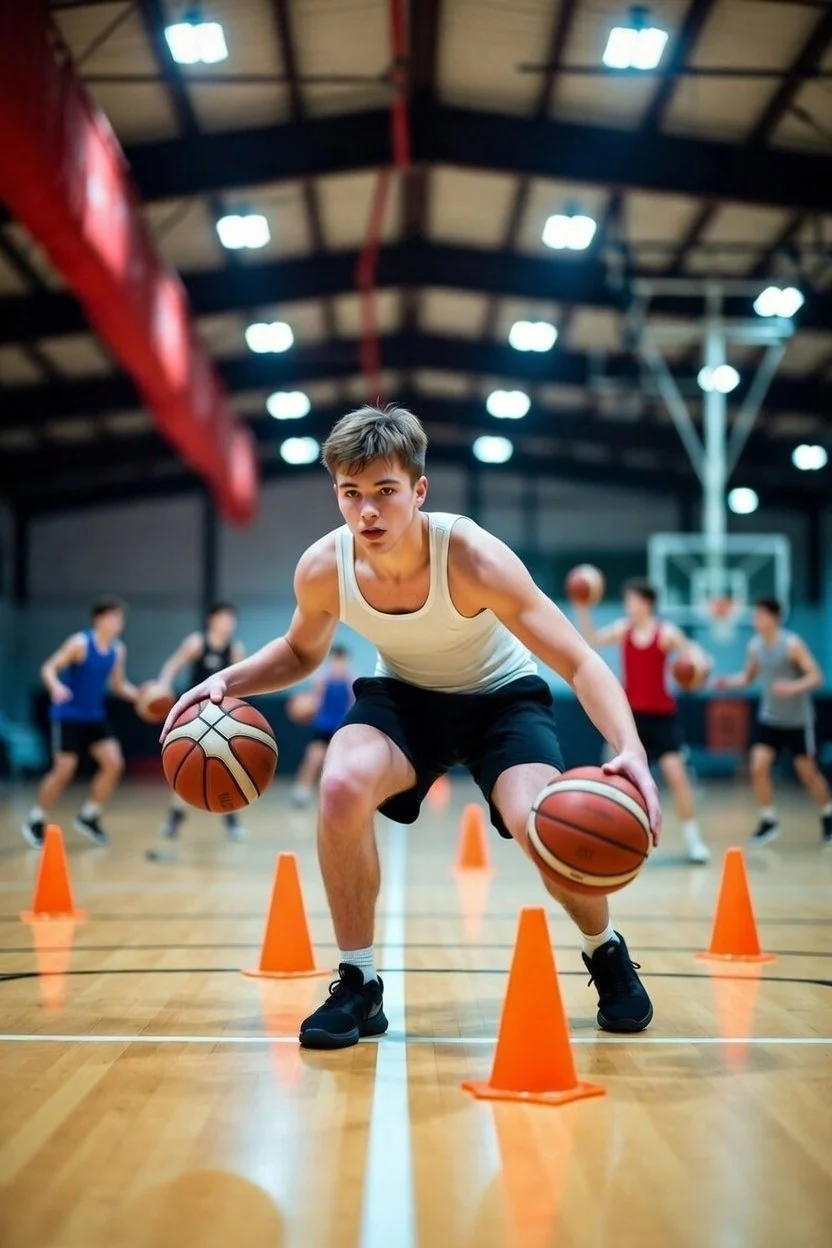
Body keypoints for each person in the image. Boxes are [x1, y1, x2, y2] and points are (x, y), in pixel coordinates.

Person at [162, 404, 662, 1050]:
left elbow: (580, 660)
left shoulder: (474, 556)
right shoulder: (324, 567)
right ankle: (357, 982)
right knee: (339, 784)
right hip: (403, 699)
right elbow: (300, 652)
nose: (367, 511)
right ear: (337, 493)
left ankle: (605, 949)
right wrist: (227, 680)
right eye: (351, 494)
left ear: (419, 491)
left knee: (550, 824)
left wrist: (632, 751)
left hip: (502, 701)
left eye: (385, 492)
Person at [573, 579, 711, 865]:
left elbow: (695, 653)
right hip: (630, 717)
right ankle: (607, 835)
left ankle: (693, 839)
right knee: (610, 776)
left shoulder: (666, 633)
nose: (628, 605)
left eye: (632, 600)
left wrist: (697, 666)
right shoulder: (624, 629)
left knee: (677, 776)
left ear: (646, 603)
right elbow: (591, 641)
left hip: (662, 717)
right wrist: (583, 608)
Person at [714, 596, 831, 845]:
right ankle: (768, 820)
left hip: (798, 721)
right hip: (770, 718)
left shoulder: (791, 644)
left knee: (808, 773)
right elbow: (748, 677)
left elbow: (816, 677)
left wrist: (792, 686)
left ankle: (828, 814)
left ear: (774, 617)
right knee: (758, 766)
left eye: (761, 615)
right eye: (755, 615)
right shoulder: (755, 647)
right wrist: (728, 682)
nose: (756, 620)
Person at [21, 597, 137, 848]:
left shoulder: (118, 650)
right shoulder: (80, 643)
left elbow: (118, 685)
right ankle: (35, 820)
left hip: (94, 716)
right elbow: (49, 668)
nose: (118, 622)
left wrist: (141, 695)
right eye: (113, 617)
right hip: (68, 715)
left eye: (120, 617)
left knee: (114, 764)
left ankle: (89, 816)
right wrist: (55, 686)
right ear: (99, 619)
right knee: (64, 770)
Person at [155, 602, 247, 841]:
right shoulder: (197, 642)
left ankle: (231, 819)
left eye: (231, 618)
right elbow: (171, 666)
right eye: (224, 617)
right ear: (212, 620)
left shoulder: (235, 649)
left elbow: (240, 683)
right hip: (193, 716)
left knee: (226, 767)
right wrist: (163, 686)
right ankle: (175, 818)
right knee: (186, 766)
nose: (228, 622)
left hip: (219, 716)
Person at [291, 645, 355, 808]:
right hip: (323, 727)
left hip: (340, 729)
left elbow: (352, 705)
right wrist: (303, 708)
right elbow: (315, 701)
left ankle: (340, 798)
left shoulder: (351, 681)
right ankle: (301, 792)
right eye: (336, 661)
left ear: (346, 662)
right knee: (313, 759)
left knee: (342, 765)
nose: (339, 664)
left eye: (342, 661)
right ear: (332, 661)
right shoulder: (322, 680)